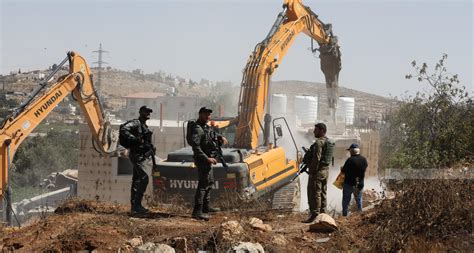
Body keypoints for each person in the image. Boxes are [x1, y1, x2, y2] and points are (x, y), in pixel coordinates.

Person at [188, 107, 227, 220]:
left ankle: (206, 207)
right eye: (205, 114)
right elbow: (196, 147)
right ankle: (197, 211)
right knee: (203, 185)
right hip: (203, 160)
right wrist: (207, 159)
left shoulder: (205, 127)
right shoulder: (197, 129)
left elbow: (211, 134)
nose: (208, 117)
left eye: (209, 115)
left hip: (208, 159)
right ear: (200, 114)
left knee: (209, 183)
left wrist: (220, 136)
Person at [120, 105, 155, 216]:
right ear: (140, 112)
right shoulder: (136, 123)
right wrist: (135, 139)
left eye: (149, 112)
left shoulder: (144, 125)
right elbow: (124, 129)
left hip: (142, 156)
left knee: (137, 181)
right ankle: (136, 206)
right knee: (144, 178)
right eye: (146, 111)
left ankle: (135, 207)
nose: (148, 113)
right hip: (136, 155)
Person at [304, 123, 335, 223]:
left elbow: (316, 158)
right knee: (323, 192)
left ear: (322, 130)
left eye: (316, 130)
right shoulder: (328, 142)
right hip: (325, 171)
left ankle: (315, 215)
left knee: (314, 193)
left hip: (318, 171)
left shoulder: (319, 143)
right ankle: (323, 213)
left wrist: (312, 171)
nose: (314, 132)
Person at [341, 143, 368, 216]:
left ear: (352, 151)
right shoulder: (364, 160)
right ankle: (360, 214)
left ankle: (344, 215)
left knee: (346, 201)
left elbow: (343, 171)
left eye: (350, 151)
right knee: (359, 200)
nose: (349, 152)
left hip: (349, 184)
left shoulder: (350, 160)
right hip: (360, 184)